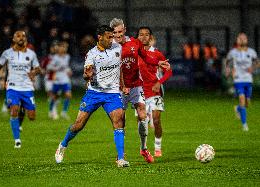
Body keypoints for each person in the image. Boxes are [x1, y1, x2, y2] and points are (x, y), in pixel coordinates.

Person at [55, 25, 129, 168]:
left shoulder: (118, 48)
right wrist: (86, 75)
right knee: (78, 125)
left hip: (112, 93)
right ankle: (63, 145)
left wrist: (122, 85)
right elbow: (86, 73)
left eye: (112, 36)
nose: (111, 39)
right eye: (109, 36)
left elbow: (127, 55)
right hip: (94, 93)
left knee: (118, 120)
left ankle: (120, 159)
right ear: (99, 37)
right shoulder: (92, 54)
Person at [109, 18, 170, 163]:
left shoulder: (134, 43)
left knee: (143, 116)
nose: (118, 35)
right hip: (119, 89)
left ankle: (144, 149)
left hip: (136, 85)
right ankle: (120, 154)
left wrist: (158, 62)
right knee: (120, 120)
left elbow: (146, 57)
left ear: (124, 29)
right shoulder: (110, 48)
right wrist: (120, 85)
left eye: (120, 31)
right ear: (112, 33)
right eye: (115, 33)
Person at [0, 30, 41, 148]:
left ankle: (22, 108)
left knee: (32, 117)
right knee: (13, 110)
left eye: (23, 36)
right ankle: (17, 140)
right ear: (13, 39)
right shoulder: (7, 53)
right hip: (12, 87)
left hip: (27, 88)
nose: (21, 38)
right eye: (18, 36)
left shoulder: (31, 54)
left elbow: (38, 69)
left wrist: (33, 71)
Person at [137, 27, 172, 157]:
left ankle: (157, 147)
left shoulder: (157, 54)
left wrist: (159, 82)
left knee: (156, 120)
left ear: (150, 37)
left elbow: (169, 71)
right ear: (138, 37)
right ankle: (144, 148)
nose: (144, 37)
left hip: (154, 90)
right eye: (141, 35)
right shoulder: (134, 53)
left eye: (147, 35)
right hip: (139, 91)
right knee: (141, 123)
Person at [225, 33, 259, 131]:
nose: (242, 40)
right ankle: (244, 125)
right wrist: (229, 70)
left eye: (244, 38)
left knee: (247, 103)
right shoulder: (233, 52)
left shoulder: (252, 52)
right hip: (238, 79)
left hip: (248, 79)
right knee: (242, 99)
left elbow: (257, 62)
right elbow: (227, 62)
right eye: (240, 38)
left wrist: (252, 68)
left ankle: (238, 108)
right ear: (237, 40)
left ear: (247, 40)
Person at [48, 41, 72, 120]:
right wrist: (57, 68)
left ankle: (64, 112)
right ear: (59, 49)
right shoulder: (55, 57)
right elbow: (49, 67)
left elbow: (66, 67)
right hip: (57, 79)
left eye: (65, 47)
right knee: (55, 96)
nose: (64, 49)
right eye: (62, 47)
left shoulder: (67, 57)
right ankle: (51, 110)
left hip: (65, 79)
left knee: (68, 95)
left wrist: (69, 70)